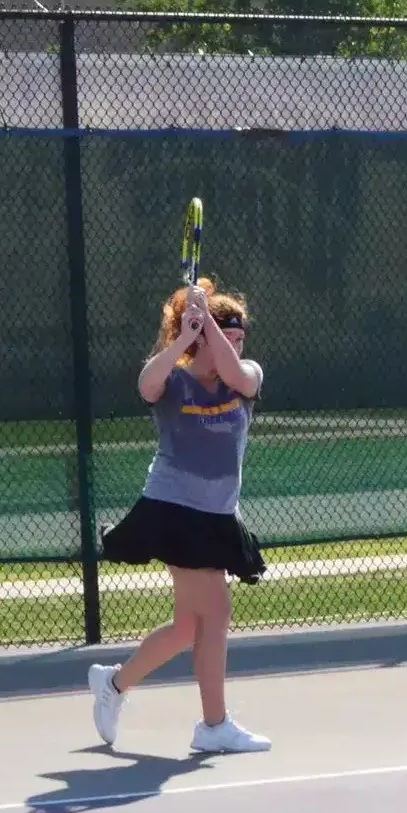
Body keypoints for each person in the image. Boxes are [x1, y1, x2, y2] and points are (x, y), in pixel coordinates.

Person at [87, 276, 272, 755]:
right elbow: (146, 383)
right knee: (218, 611)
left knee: (191, 626)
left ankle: (113, 684)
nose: (234, 346)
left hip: (216, 516)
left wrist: (207, 321)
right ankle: (214, 726)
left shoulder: (245, 375)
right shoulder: (177, 382)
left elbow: (238, 376)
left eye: (238, 338)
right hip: (173, 510)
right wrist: (187, 338)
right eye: (226, 337)